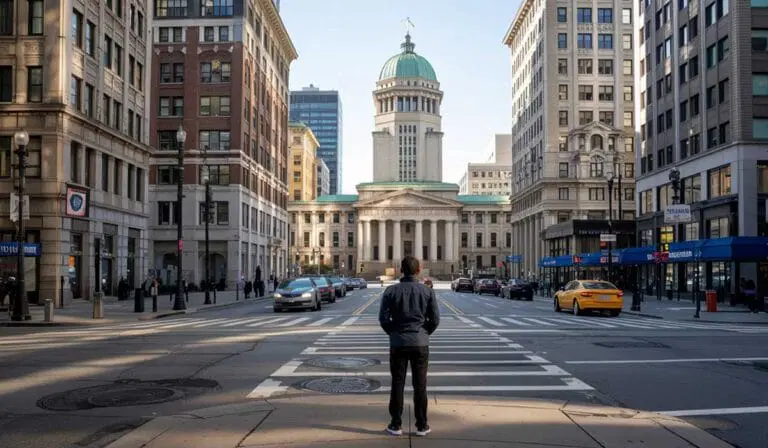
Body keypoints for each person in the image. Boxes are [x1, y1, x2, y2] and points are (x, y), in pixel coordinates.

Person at [378, 256, 440, 437]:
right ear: (419, 270)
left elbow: (383, 319)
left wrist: (394, 333)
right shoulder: (427, 292)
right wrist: (423, 333)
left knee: (397, 383)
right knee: (420, 385)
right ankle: (422, 425)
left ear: (400, 270)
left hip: (398, 343)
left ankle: (395, 425)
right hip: (420, 343)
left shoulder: (390, 291)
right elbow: (435, 320)